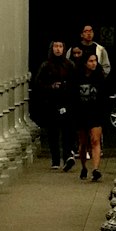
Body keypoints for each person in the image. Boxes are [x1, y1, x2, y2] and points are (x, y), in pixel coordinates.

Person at [33, 39, 76, 170]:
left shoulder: (69, 65)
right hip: (51, 102)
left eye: (60, 46)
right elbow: (38, 83)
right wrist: (50, 86)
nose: (58, 49)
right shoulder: (46, 66)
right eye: (56, 46)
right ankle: (55, 159)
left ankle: (67, 155)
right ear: (52, 48)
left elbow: (75, 82)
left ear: (64, 49)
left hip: (66, 101)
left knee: (67, 131)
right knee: (53, 132)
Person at [72, 51, 110, 181]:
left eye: (95, 61)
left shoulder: (99, 77)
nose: (94, 63)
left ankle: (95, 168)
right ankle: (84, 166)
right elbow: (72, 96)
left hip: (96, 112)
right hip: (81, 113)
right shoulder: (77, 77)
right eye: (91, 61)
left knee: (95, 140)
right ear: (85, 63)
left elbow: (104, 96)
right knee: (83, 143)